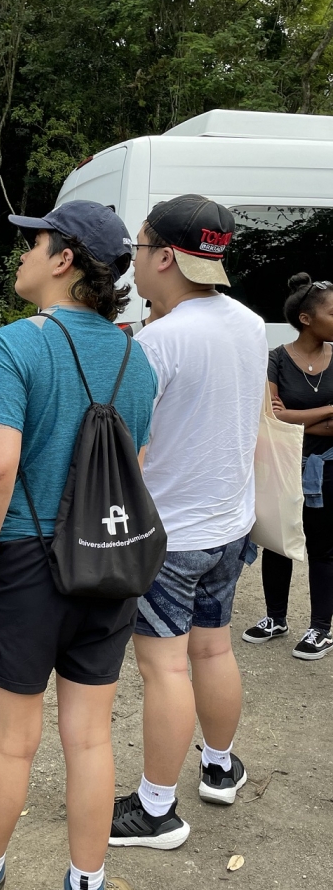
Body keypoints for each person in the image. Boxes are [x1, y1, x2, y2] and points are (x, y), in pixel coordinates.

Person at [0, 201, 156, 890]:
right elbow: (131, 471)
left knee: (13, 741)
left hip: (29, 561)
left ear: (64, 259)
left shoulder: (13, 348)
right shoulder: (140, 360)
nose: (25, 255)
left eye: (34, 242)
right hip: (106, 559)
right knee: (90, 737)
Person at [109, 195, 269, 853]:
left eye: (141, 250)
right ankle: (220, 765)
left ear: (167, 257)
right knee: (213, 648)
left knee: (167, 669)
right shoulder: (250, 323)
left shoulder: (160, 341)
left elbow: (124, 443)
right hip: (231, 522)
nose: (135, 263)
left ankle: (155, 809)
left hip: (170, 535)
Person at [243, 273, 333, 660]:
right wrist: (328, 411)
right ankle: (275, 618)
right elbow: (269, 417)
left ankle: (321, 629)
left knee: (324, 548)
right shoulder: (275, 358)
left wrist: (294, 415)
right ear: (306, 318)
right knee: (278, 543)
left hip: (326, 468)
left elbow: (284, 416)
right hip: (284, 465)